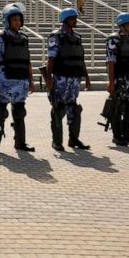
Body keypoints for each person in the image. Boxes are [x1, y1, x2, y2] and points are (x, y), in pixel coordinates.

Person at [0, 3, 35, 154]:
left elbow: (27, 61)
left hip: (21, 82)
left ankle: (20, 142)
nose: (17, 23)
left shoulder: (23, 38)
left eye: (19, 20)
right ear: (7, 21)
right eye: (14, 20)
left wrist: (31, 81)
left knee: (20, 113)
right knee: (0, 114)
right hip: (4, 81)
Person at [43, 8, 92, 151]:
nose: (75, 21)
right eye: (72, 18)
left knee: (74, 109)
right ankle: (57, 141)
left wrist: (87, 78)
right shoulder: (56, 36)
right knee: (58, 109)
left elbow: (81, 60)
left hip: (75, 78)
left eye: (75, 18)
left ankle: (74, 139)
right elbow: (50, 59)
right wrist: (49, 78)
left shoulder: (77, 37)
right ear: (65, 20)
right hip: (61, 78)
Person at [105, 12, 129, 147]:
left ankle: (127, 134)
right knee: (117, 107)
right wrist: (111, 82)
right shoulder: (113, 40)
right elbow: (111, 62)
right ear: (122, 25)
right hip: (120, 78)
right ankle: (117, 136)